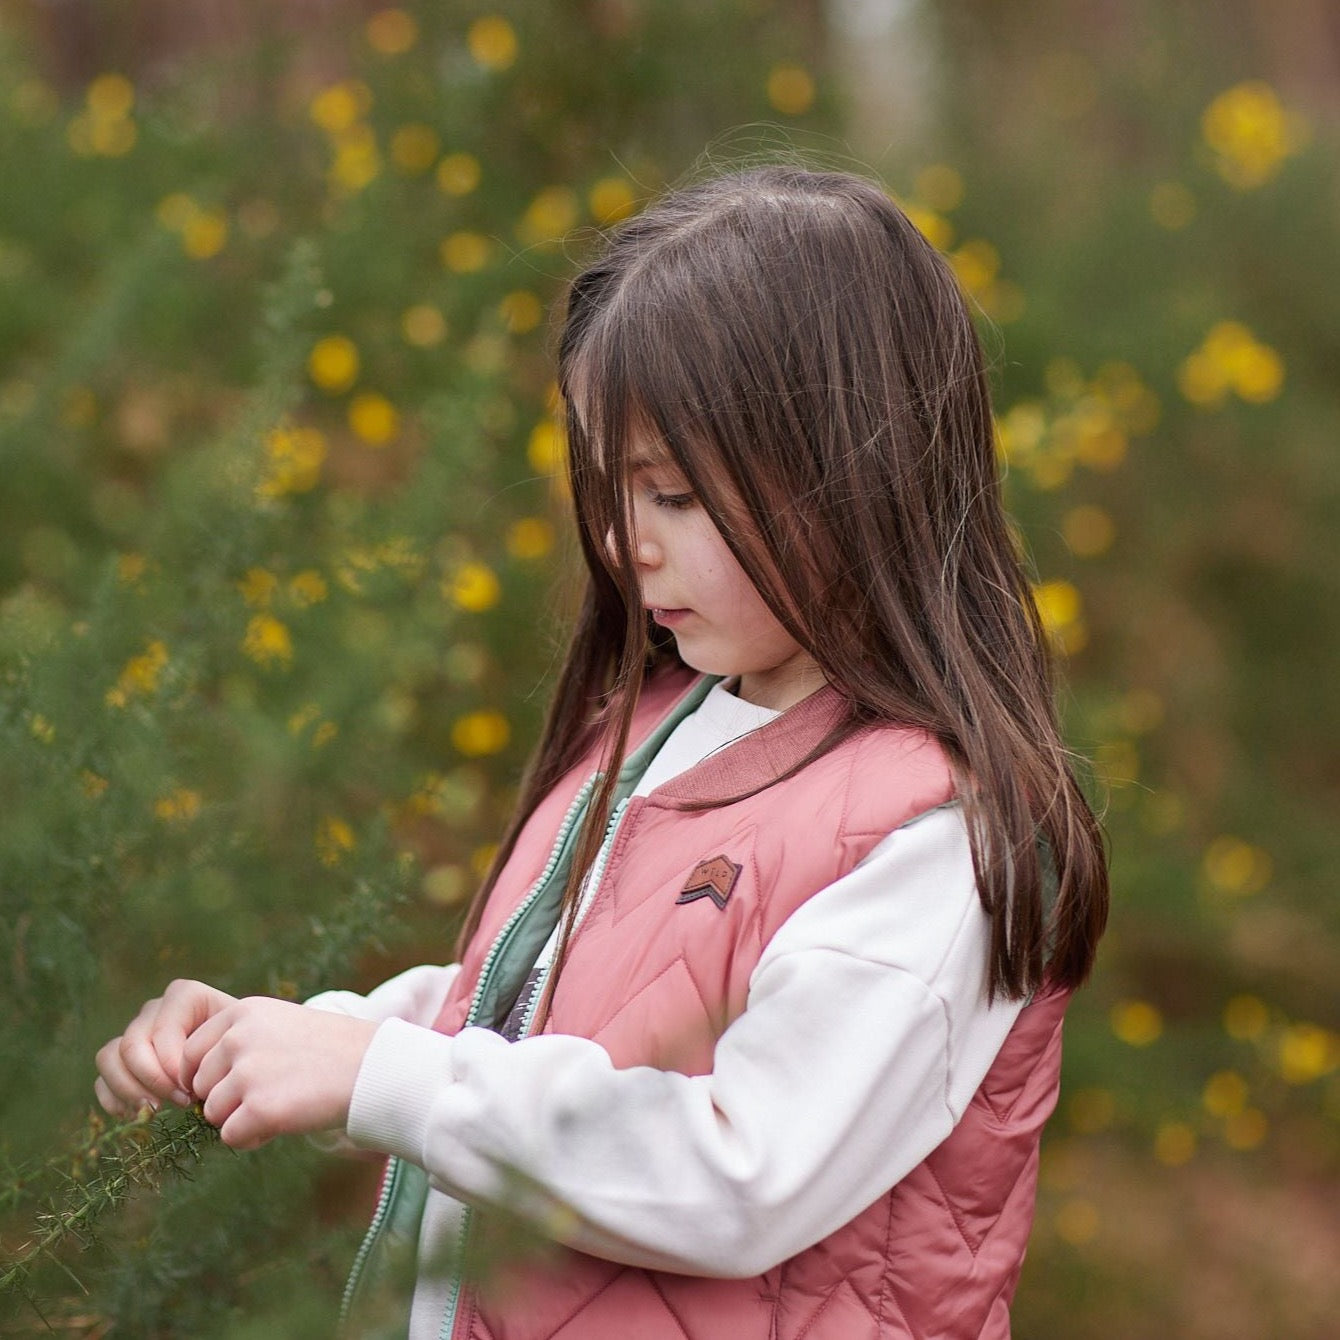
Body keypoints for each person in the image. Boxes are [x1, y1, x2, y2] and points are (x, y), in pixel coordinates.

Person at [95, 165, 1109, 1339]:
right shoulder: (667, 723)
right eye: (610, 487)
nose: (625, 543)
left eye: (672, 492)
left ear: (853, 471)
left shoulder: (932, 834)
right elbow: (536, 1012)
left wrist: (385, 1075)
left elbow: (739, 1168)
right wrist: (286, 1034)